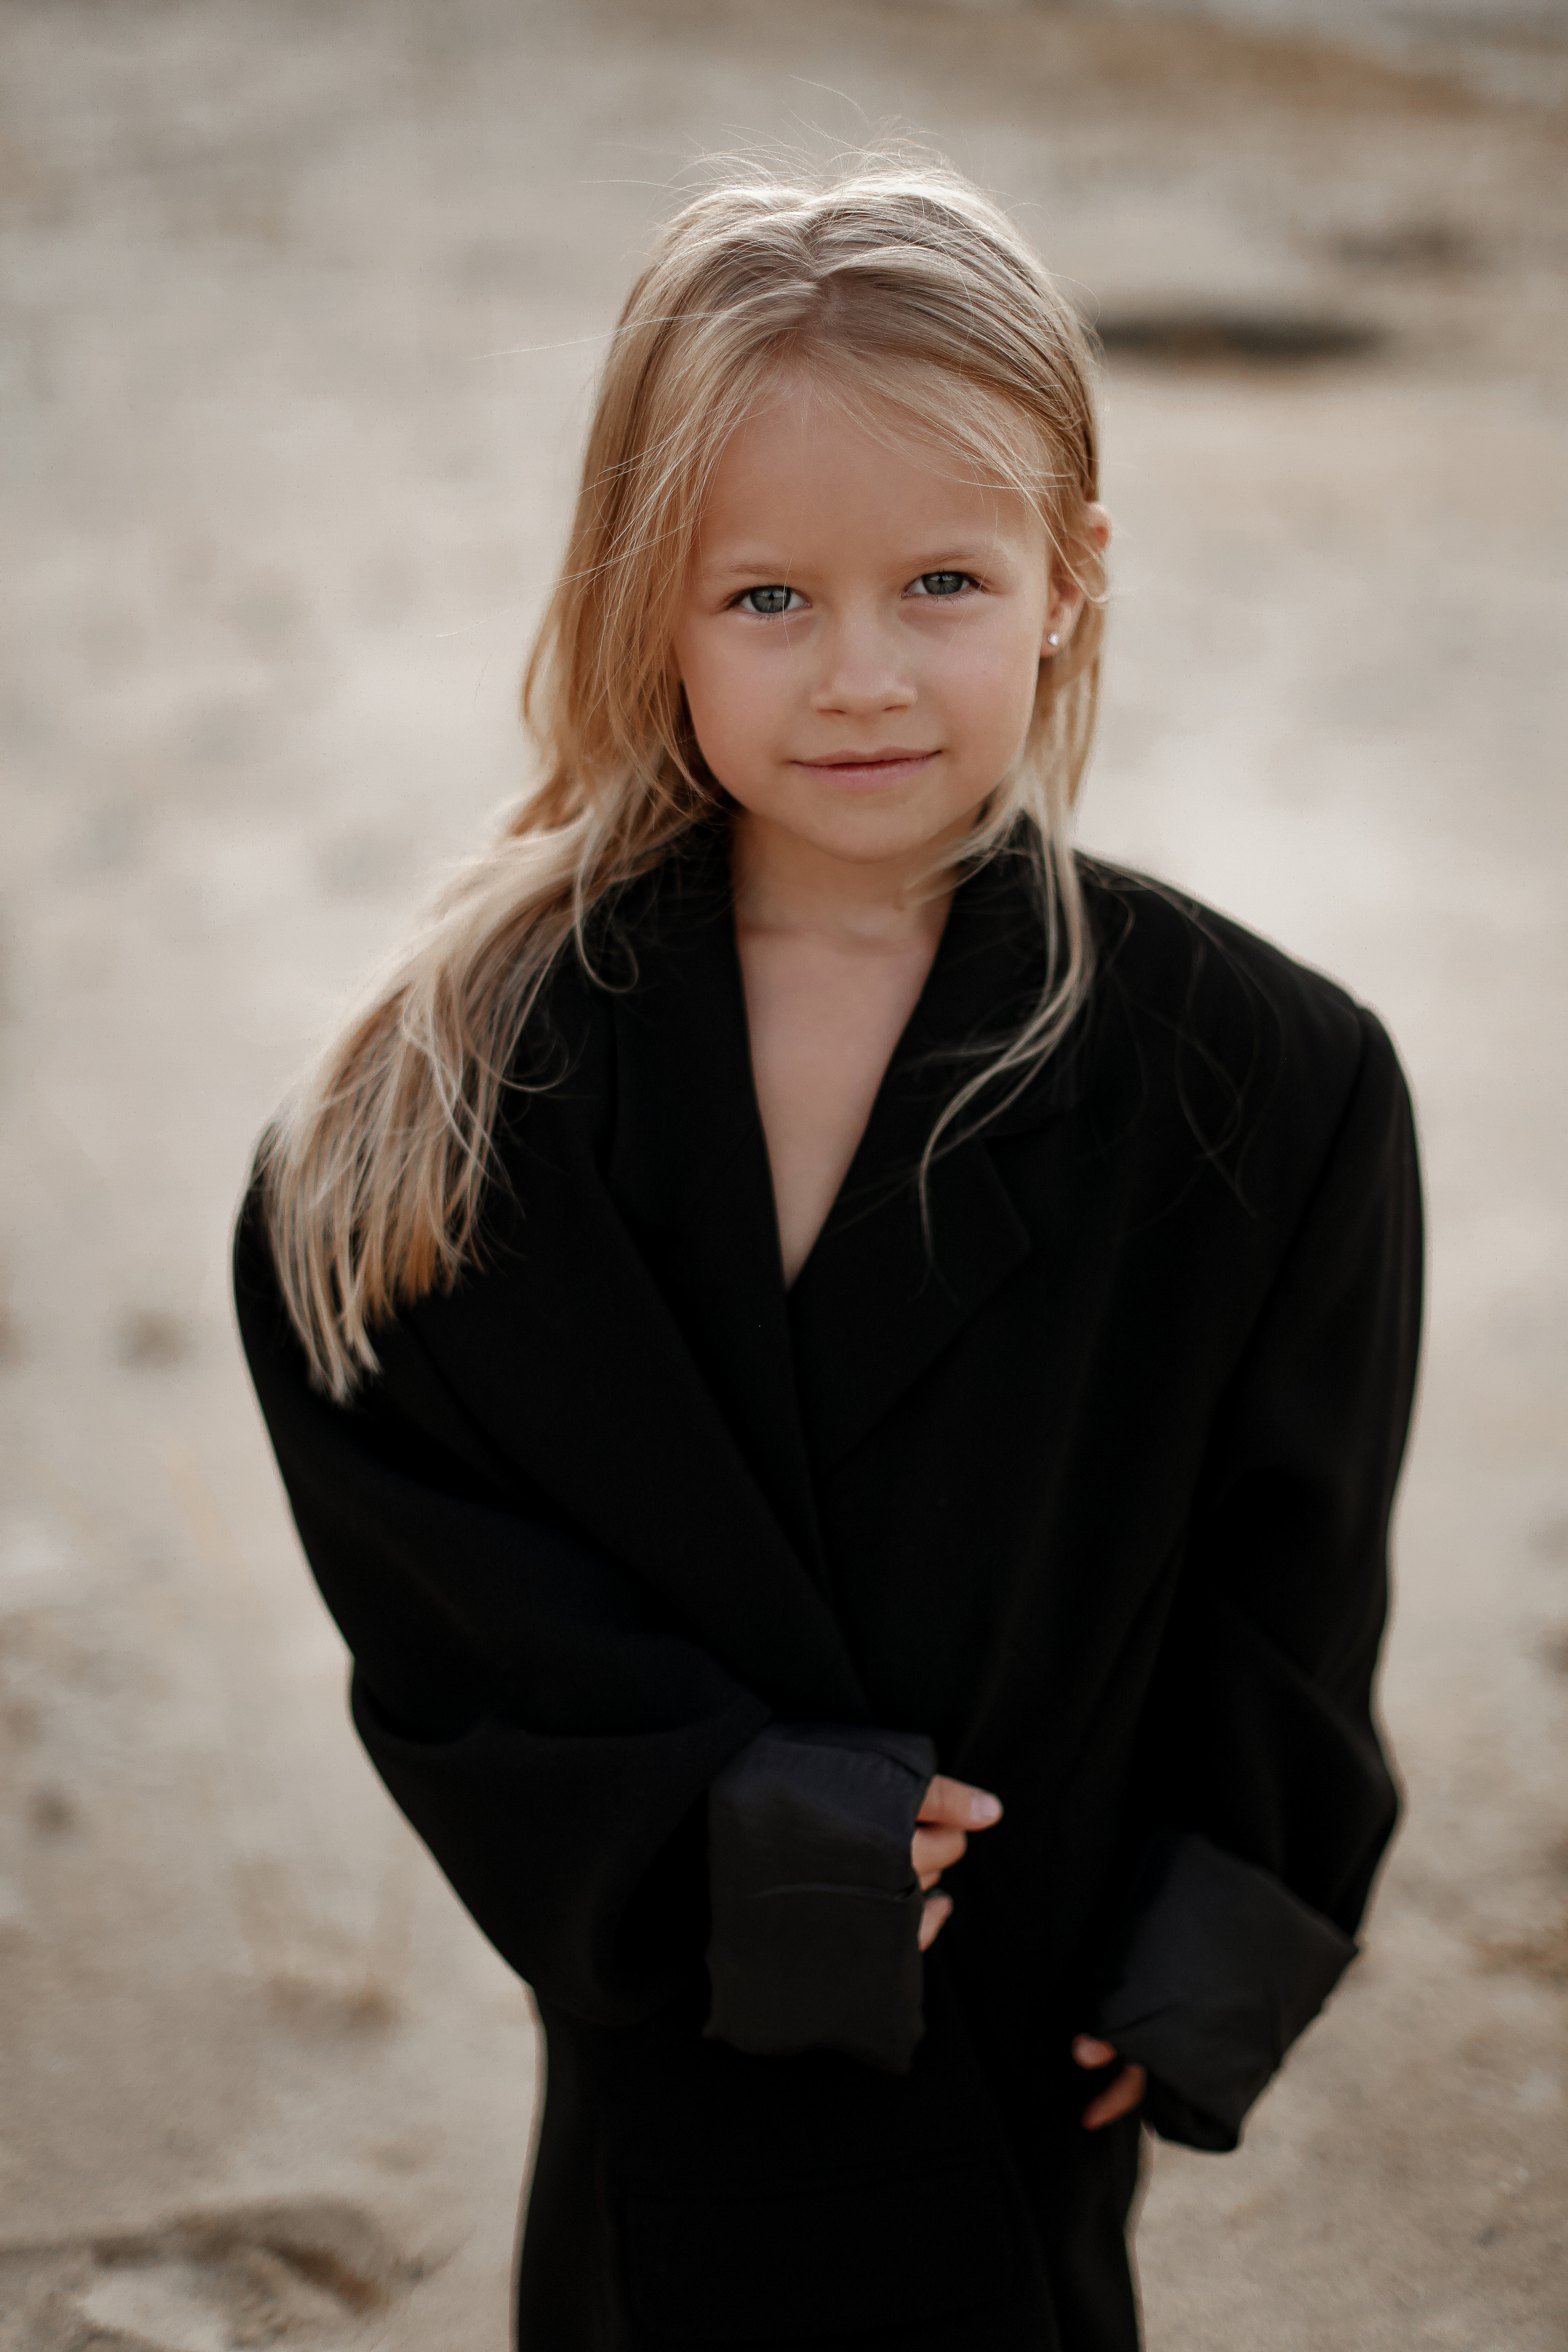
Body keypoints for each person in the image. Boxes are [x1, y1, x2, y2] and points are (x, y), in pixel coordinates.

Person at [235, 149, 1422, 2352]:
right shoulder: (475, 1084)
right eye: (767, 597)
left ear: (1070, 576)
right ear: (647, 604)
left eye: (942, 582)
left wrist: (1221, 1937)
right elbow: (425, 1543)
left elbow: (1296, 1579)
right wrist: (725, 1830)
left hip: (1025, 2031)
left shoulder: (1269, 1083)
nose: (860, 674)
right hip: (666, 2029)